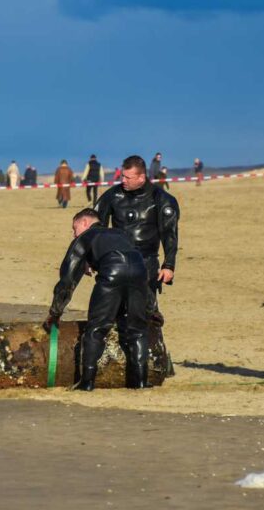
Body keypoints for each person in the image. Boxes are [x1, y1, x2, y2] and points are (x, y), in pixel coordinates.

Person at [43, 208, 152, 390]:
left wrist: (55, 312)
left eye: (74, 227)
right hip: (139, 271)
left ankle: (87, 382)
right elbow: (135, 265)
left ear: (85, 223)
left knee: (96, 329)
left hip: (112, 271)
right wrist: (151, 309)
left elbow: (67, 279)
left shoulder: (84, 237)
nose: (73, 233)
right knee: (137, 330)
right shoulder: (120, 233)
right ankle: (140, 381)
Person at [95, 155, 180, 374]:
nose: (123, 180)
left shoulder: (162, 200)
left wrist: (169, 265)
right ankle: (116, 362)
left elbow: (170, 236)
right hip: (117, 262)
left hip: (147, 263)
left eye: (128, 177)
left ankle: (157, 364)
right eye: (122, 175)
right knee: (114, 312)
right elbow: (96, 229)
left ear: (142, 177)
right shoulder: (112, 196)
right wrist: (91, 260)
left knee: (147, 314)